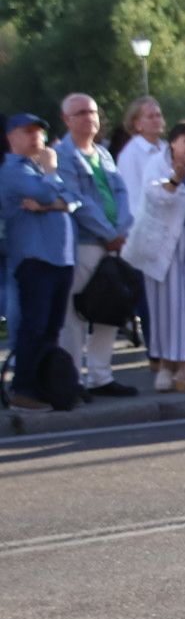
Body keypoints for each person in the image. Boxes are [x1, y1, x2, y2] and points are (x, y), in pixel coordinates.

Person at [55, 94, 137, 397]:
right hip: (85, 243)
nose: (88, 118)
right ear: (66, 119)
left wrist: (122, 229)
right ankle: (73, 380)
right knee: (75, 313)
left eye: (92, 112)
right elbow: (78, 200)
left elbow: (122, 195)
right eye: (80, 113)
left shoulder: (103, 154)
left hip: (114, 243)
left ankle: (100, 377)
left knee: (111, 307)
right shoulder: (62, 155)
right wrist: (107, 232)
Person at [1, 114, 79, 411]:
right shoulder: (12, 171)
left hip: (60, 258)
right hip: (35, 258)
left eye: (40, 132)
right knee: (34, 326)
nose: (37, 138)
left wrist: (50, 202)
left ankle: (45, 386)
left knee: (51, 328)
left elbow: (73, 198)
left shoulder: (40, 169)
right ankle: (23, 390)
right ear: (12, 137)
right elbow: (48, 191)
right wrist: (51, 175)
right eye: (28, 132)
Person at [137, 121, 185, 393]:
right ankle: (166, 366)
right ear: (173, 142)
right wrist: (174, 182)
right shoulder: (157, 165)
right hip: (162, 243)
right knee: (164, 306)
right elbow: (153, 198)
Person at [115, 96, 167, 217]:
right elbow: (132, 197)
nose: (156, 120)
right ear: (137, 124)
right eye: (150, 117)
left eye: (158, 115)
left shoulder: (166, 148)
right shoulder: (130, 154)